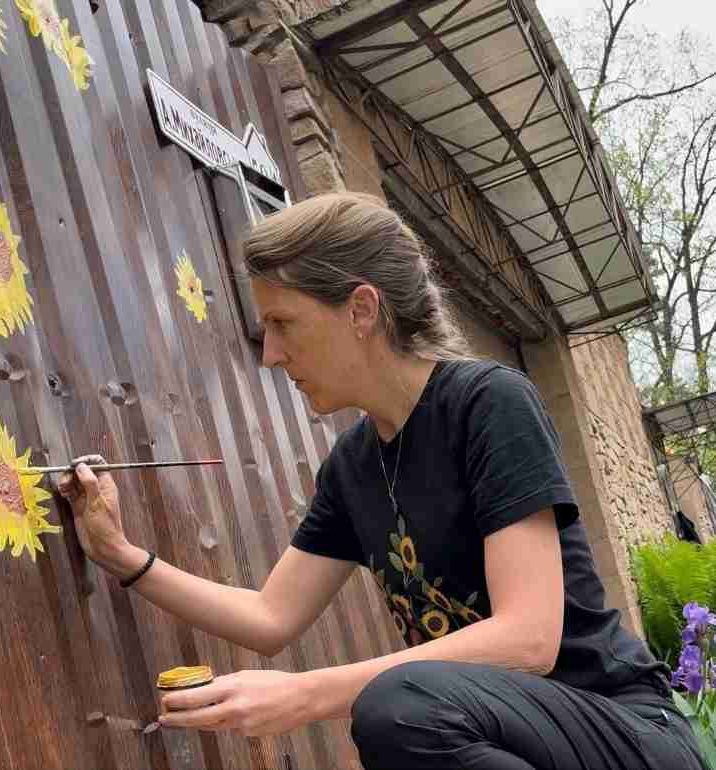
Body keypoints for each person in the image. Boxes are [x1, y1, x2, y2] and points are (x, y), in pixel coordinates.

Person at [58, 192, 706, 769]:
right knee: (401, 712)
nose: (271, 354)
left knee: (397, 708)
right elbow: (268, 616)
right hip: (501, 744)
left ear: (361, 309)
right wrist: (118, 552)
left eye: (283, 324)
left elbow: (528, 638)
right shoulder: (351, 467)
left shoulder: (487, 403)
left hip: (622, 733)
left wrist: (304, 695)